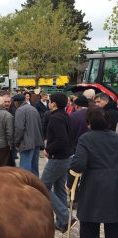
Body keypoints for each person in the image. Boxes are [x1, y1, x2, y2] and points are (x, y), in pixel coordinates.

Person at [66, 108, 118, 238]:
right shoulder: (116, 138)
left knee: (89, 225)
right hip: (115, 184)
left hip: (92, 184)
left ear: (89, 123)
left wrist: (71, 183)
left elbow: (78, 164)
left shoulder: (86, 138)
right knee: (114, 225)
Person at [41, 92, 76, 235]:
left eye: (50, 101)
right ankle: (62, 223)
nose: (49, 103)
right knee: (60, 189)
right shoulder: (67, 116)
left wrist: (48, 150)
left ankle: (67, 218)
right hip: (67, 157)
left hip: (59, 158)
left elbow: (62, 139)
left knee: (43, 187)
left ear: (53, 103)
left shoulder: (56, 118)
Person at [13, 94, 44, 177]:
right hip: (36, 142)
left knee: (25, 169)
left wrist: (16, 142)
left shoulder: (20, 110)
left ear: (16, 102)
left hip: (26, 143)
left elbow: (19, 128)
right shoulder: (33, 109)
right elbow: (40, 125)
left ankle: (26, 187)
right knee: (34, 168)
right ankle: (35, 186)